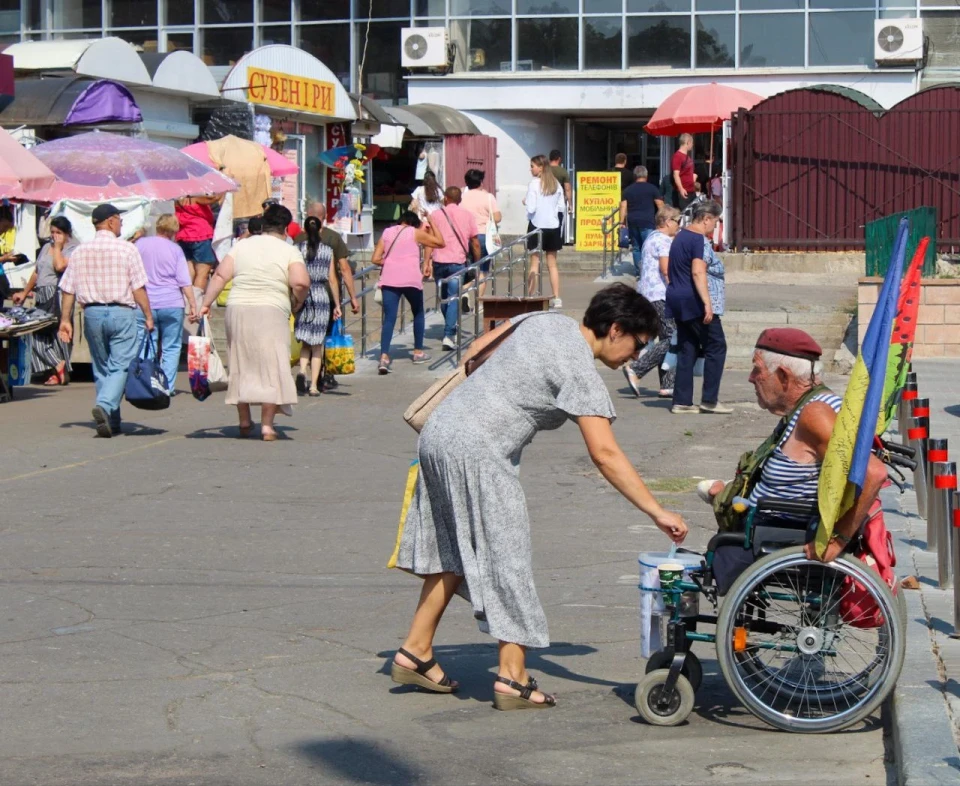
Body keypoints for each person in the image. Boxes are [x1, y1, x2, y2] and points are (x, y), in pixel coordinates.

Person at [391, 284, 687, 708]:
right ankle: (512, 677)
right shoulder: (579, 369)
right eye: (638, 344)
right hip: (479, 448)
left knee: (454, 546)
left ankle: (416, 650)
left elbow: (476, 350)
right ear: (616, 329)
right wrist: (655, 510)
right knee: (507, 555)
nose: (637, 356)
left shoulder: (543, 320)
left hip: (440, 430)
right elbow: (604, 453)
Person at [699, 328, 888, 592]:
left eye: (757, 370)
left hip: (775, 542)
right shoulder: (810, 409)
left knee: (709, 559)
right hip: (773, 532)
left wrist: (838, 539)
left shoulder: (815, 414)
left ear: (783, 376)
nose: (751, 378)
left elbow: (873, 473)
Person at [195, 204, 310, 442]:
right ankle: (267, 426)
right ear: (286, 228)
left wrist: (206, 303)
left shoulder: (242, 245)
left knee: (240, 361)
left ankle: (244, 420)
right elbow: (300, 283)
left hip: (238, 307)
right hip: (271, 309)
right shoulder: (289, 250)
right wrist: (298, 302)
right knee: (272, 363)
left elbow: (220, 275)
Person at [57, 204, 153, 439]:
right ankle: (105, 405)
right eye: (120, 219)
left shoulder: (80, 251)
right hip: (122, 312)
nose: (122, 224)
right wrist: (148, 315)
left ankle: (112, 420)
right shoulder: (127, 250)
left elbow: (68, 289)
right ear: (110, 221)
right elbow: (138, 288)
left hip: (92, 314)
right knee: (120, 365)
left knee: (101, 367)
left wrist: (65, 320)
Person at [665, 200, 728, 416]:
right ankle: (709, 400)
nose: (715, 226)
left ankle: (682, 401)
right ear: (706, 218)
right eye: (716, 221)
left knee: (687, 347)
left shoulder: (680, 236)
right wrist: (707, 303)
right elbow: (698, 272)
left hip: (676, 297)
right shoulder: (698, 239)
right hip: (693, 300)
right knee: (716, 346)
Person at [372, 211, 445, 374]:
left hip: (390, 279)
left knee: (389, 318)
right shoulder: (415, 233)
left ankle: (384, 357)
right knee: (418, 312)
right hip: (411, 279)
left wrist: (391, 262)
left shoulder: (386, 232)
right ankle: (418, 352)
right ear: (413, 223)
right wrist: (432, 222)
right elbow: (440, 243)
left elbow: (375, 258)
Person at [134, 215, 198, 395]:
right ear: (173, 230)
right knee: (171, 346)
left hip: (145, 302)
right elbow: (184, 281)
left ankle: (146, 381)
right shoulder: (176, 250)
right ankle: (167, 386)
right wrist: (192, 304)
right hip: (171, 302)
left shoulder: (141, 244)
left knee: (147, 342)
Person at [13, 216, 78, 386]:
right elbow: (37, 272)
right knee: (37, 332)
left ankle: (59, 371)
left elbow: (59, 266)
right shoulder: (45, 248)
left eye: (59, 233)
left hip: (59, 293)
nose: (54, 236)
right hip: (42, 293)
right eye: (52, 233)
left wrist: (58, 247)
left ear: (67, 234)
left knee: (59, 334)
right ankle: (57, 366)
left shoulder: (73, 248)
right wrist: (25, 292)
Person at [623, 207, 680, 399]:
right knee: (671, 338)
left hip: (646, 295)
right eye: (677, 221)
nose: (678, 226)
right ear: (667, 221)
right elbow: (665, 269)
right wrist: (676, 289)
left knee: (667, 336)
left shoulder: (651, 238)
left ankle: (668, 384)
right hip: (660, 295)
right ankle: (637, 369)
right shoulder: (664, 240)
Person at [307, 200, 359, 392]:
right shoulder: (333, 238)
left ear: (307, 215)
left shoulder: (299, 238)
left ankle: (309, 375)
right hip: (328, 295)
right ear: (324, 218)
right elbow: (344, 269)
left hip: (304, 295)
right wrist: (353, 297)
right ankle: (326, 376)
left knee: (310, 338)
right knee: (329, 334)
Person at [293, 216, 343, 397]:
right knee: (317, 344)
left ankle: (301, 371)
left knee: (306, 340)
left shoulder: (297, 249)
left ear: (304, 230)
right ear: (321, 229)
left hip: (303, 295)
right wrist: (337, 304)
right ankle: (313, 386)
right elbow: (332, 279)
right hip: (321, 296)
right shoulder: (327, 251)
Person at [429, 186, 481, 352]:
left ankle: (449, 330)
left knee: (444, 298)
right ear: (459, 200)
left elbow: (430, 240)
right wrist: (477, 262)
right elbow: (475, 241)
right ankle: (449, 334)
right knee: (452, 298)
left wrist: (425, 262)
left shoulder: (435, 215)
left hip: (439, 261)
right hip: (457, 262)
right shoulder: (467, 216)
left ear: (445, 198)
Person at [525, 155, 565, 309]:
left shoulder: (534, 184)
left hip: (536, 225)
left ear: (540, 167)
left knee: (534, 263)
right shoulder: (555, 183)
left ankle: (531, 295)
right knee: (552, 264)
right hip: (553, 226)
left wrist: (526, 204)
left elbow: (531, 208)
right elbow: (561, 207)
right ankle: (556, 297)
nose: (531, 169)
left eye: (532, 166)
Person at [459, 169, 501, 298]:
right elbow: (497, 217)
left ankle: (464, 292)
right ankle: (479, 301)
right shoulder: (488, 197)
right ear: (481, 182)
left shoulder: (462, 197)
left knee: (469, 267)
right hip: (483, 236)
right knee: (483, 270)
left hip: (465, 236)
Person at [619, 166, 665, 279]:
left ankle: (639, 272)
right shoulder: (652, 188)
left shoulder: (628, 190)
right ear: (646, 175)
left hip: (633, 221)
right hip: (648, 222)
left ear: (635, 176)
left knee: (636, 247)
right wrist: (663, 219)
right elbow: (660, 205)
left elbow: (623, 207)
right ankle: (649, 272)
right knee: (648, 247)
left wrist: (621, 222)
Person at [175, 195, 219, 289]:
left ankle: (187, 298)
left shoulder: (178, 198)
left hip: (183, 235)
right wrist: (225, 189)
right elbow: (213, 198)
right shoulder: (195, 197)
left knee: (189, 271)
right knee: (202, 273)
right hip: (201, 234)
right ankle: (197, 300)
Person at [549, 150, 573, 242]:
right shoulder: (563, 172)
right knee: (558, 222)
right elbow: (567, 188)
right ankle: (556, 242)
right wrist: (570, 204)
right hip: (558, 202)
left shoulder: (544, 170)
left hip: (544, 200)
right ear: (559, 159)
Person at [671, 134, 697, 211]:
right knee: (685, 216)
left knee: (694, 214)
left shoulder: (687, 157)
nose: (692, 145)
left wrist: (693, 177)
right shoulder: (677, 156)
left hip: (691, 190)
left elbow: (686, 172)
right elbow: (676, 175)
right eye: (692, 143)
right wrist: (681, 189)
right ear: (688, 142)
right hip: (684, 192)